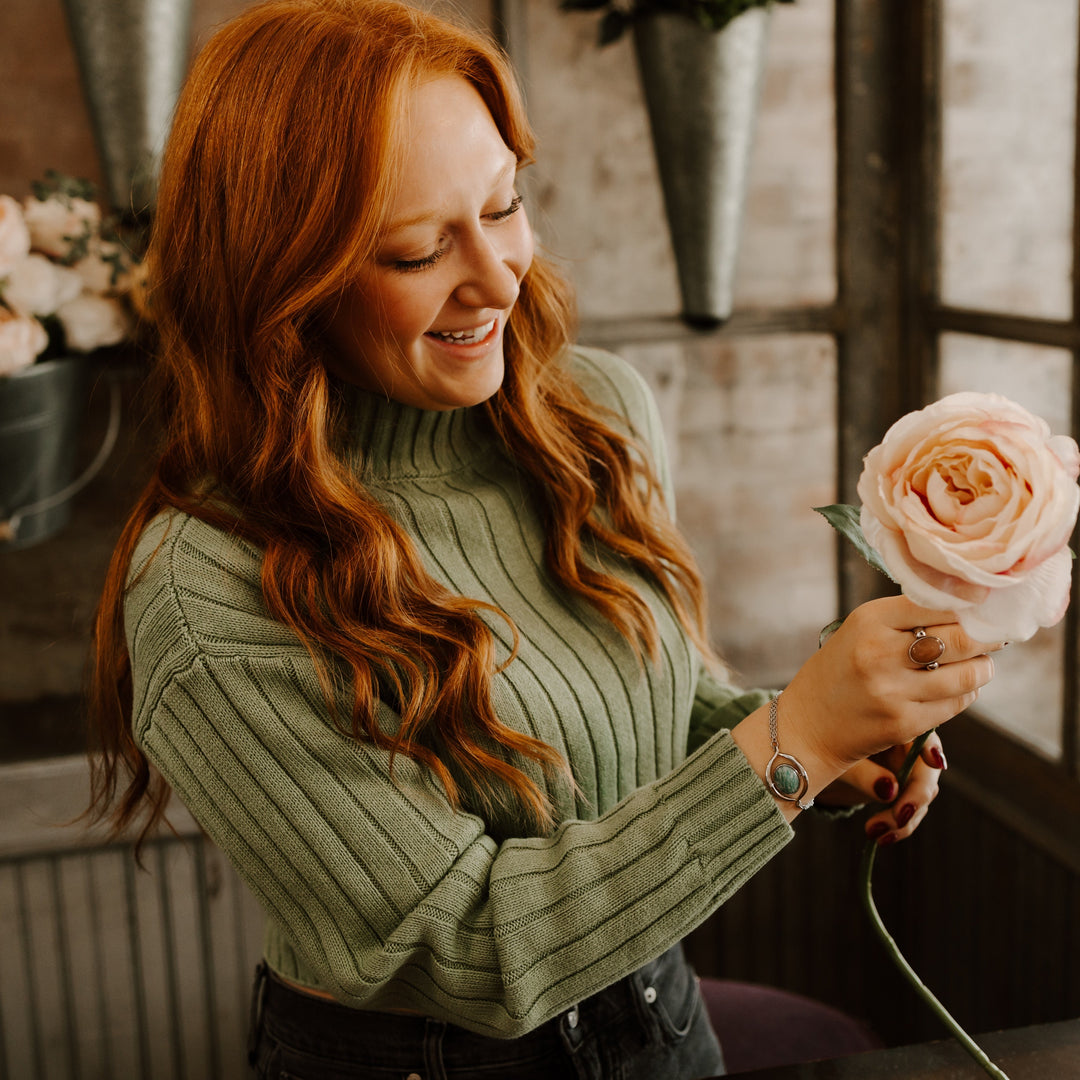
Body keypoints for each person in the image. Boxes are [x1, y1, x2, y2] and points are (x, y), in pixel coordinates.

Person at [86, 1, 1001, 1077]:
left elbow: (647, 701)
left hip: (657, 1011)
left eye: (505, 202)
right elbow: (474, 949)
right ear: (283, 283)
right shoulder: (204, 587)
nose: (499, 275)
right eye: (419, 250)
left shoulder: (592, 415)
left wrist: (831, 740)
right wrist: (789, 747)